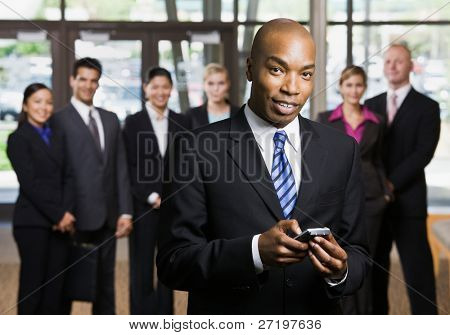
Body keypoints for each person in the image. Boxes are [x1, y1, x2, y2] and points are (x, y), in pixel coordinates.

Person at [156, 19, 369, 314]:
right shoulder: (194, 147)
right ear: (250, 69)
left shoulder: (342, 150)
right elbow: (173, 262)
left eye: (305, 74)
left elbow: (359, 252)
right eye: (277, 69)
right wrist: (254, 252)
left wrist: (340, 271)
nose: (292, 88)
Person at [52, 57, 133, 314]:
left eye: (94, 81)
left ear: (99, 84)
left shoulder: (110, 119)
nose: (88, 85)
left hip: (108, 219)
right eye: (83, 79)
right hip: (72, 219)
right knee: (67, 287)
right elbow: (55, 172)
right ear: (72, 81)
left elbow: (120, 167)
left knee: (105, 288)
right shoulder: (58, 120)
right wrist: (60, 211)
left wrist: (125, 211)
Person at [365, 44, 440, 315]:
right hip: (375, 206)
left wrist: (390, 183)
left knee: (419, 275)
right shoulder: (370, 106)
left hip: (409, 202)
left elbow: (423, 153)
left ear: (410, 66)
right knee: (375, 274)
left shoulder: (428, 107)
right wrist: (376, 186)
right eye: (388, 61)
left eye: (399, 61)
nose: (393, 66)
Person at [318, 65, 391, 314]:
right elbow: (319, 160)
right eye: (349, 85)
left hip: (372, 199)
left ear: (365, 87)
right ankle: (342, 314)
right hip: (338, 197)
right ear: (340, 87)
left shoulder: (376, 122)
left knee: (364, 259)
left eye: (358, 85)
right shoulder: (325, 119)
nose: (354, 90)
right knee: (339, 256)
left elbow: (379, 161)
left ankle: (365, 316)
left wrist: (386, 193)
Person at [123, 67, 189, 314]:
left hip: (172, 209)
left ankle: (164, 319)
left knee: (167, 266)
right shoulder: (133, 122)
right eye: (155, 87)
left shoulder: (182, 121)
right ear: (146, 88)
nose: (160, 92)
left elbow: (186, 166)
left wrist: (172, 197)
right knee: (140, 269)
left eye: (165, 87)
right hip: (143, 207)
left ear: (171, 89)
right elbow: (129, 166)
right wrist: (151, 196)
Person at [7, 83, 75, 314]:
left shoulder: (57, 136)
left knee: (56, 290)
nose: (44, 107)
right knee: (33, 288)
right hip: (32, 224)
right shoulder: (18, 139)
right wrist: (58, 214)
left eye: (48, 102)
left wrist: (66, 213)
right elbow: (30, 185)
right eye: (37, 101)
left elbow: (68, 176)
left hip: (61, 224)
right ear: (25, 105)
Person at [185, 63, 240, 129]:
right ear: (204, 85)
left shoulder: (240, 114)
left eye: (221, 83)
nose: (216, 88)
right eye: (210, 83)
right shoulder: (192, 115)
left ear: (228, 85)